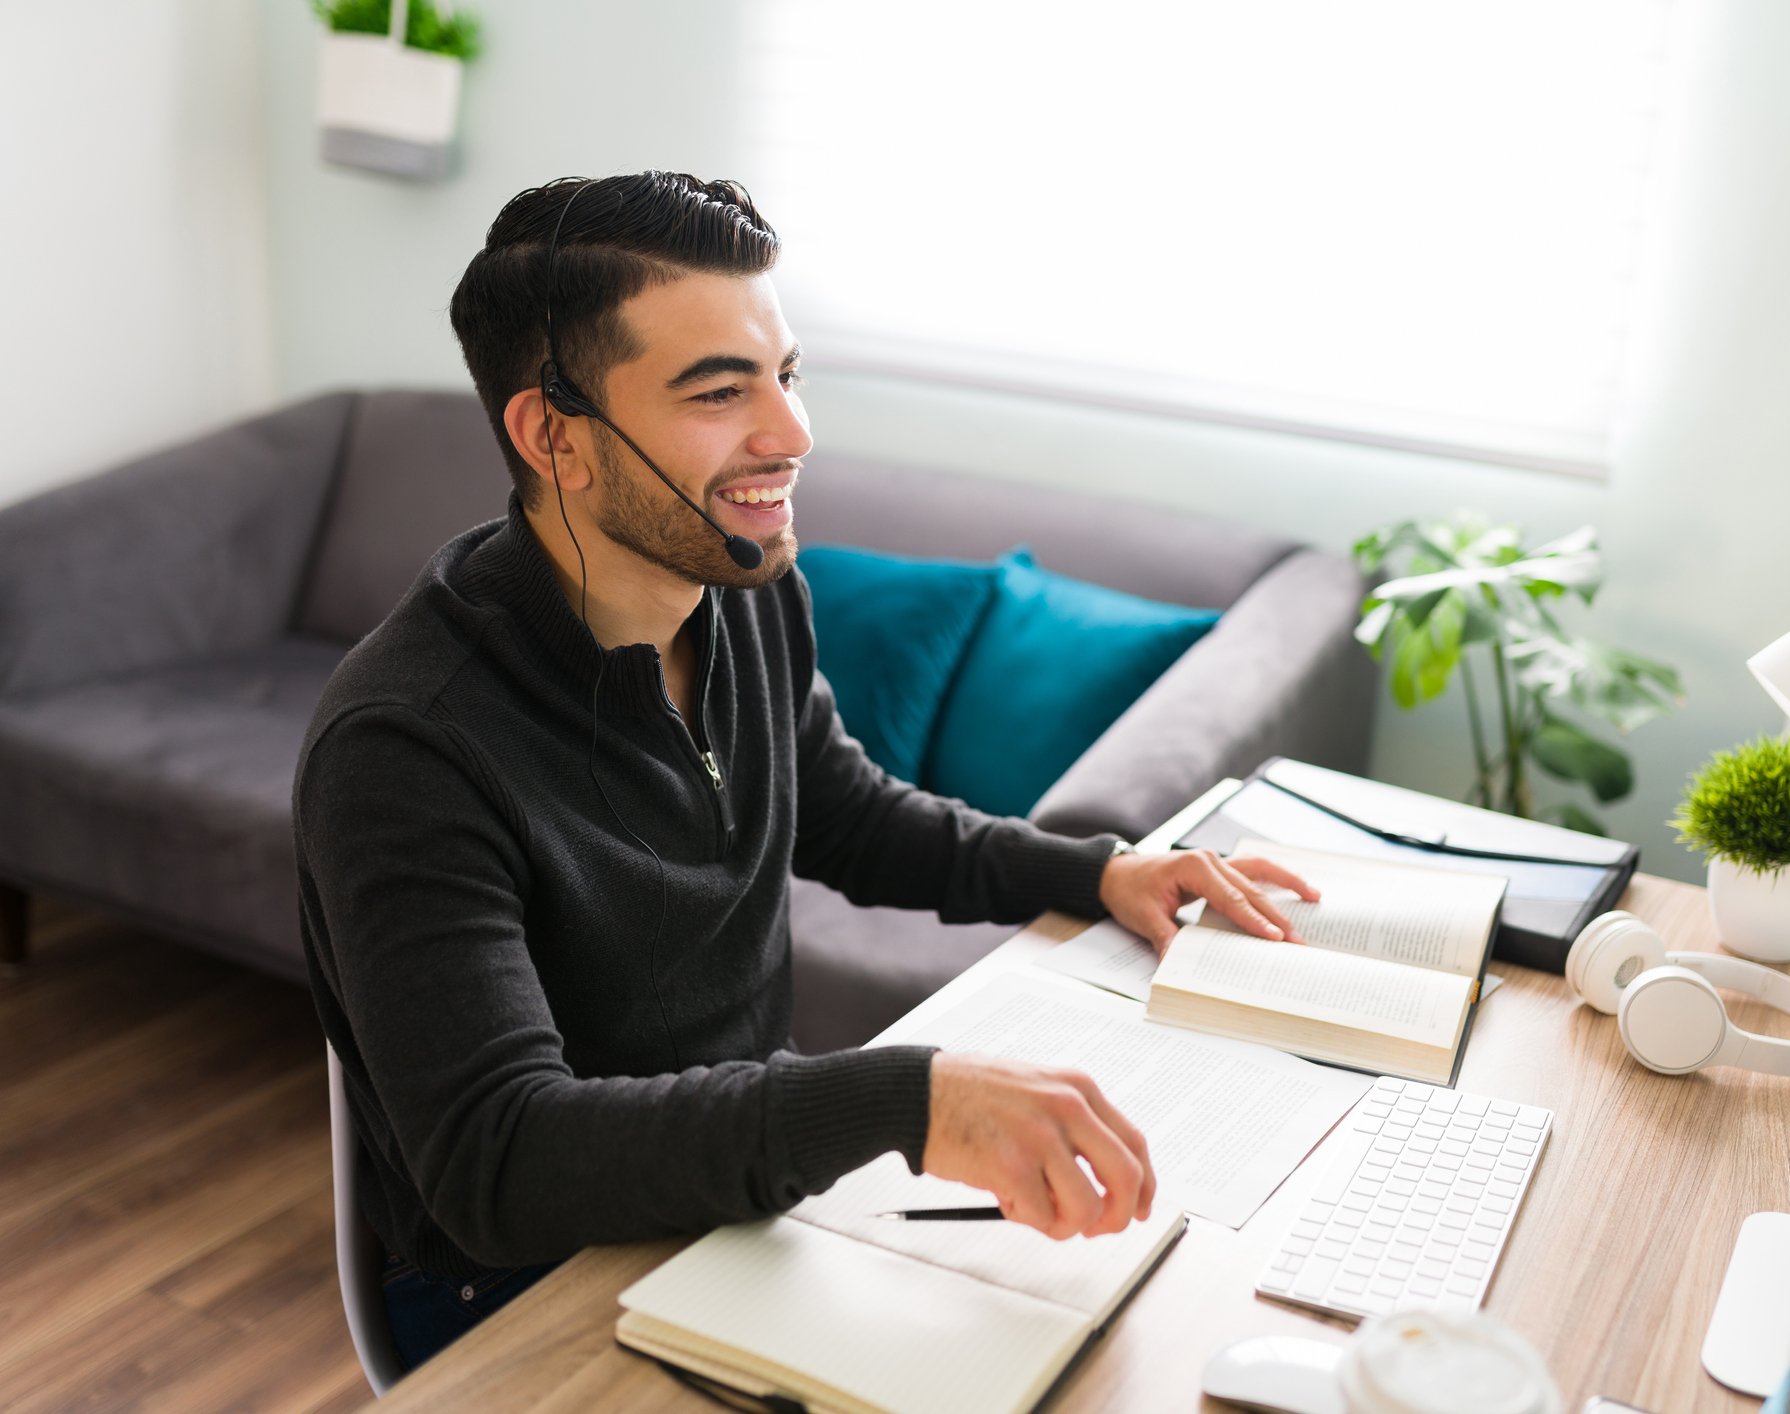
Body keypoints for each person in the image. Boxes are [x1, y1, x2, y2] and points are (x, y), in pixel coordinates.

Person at [295, 171, 1316, 1369]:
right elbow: (498, 1163)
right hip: (524, 1294)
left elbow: (839, 810)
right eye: (719, 391)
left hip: (735, 1200)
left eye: (784, 375)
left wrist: (1103, 875)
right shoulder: (406, 743)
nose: (789, 434)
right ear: (551, 435)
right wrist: (904, 1099)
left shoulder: (745, 589)